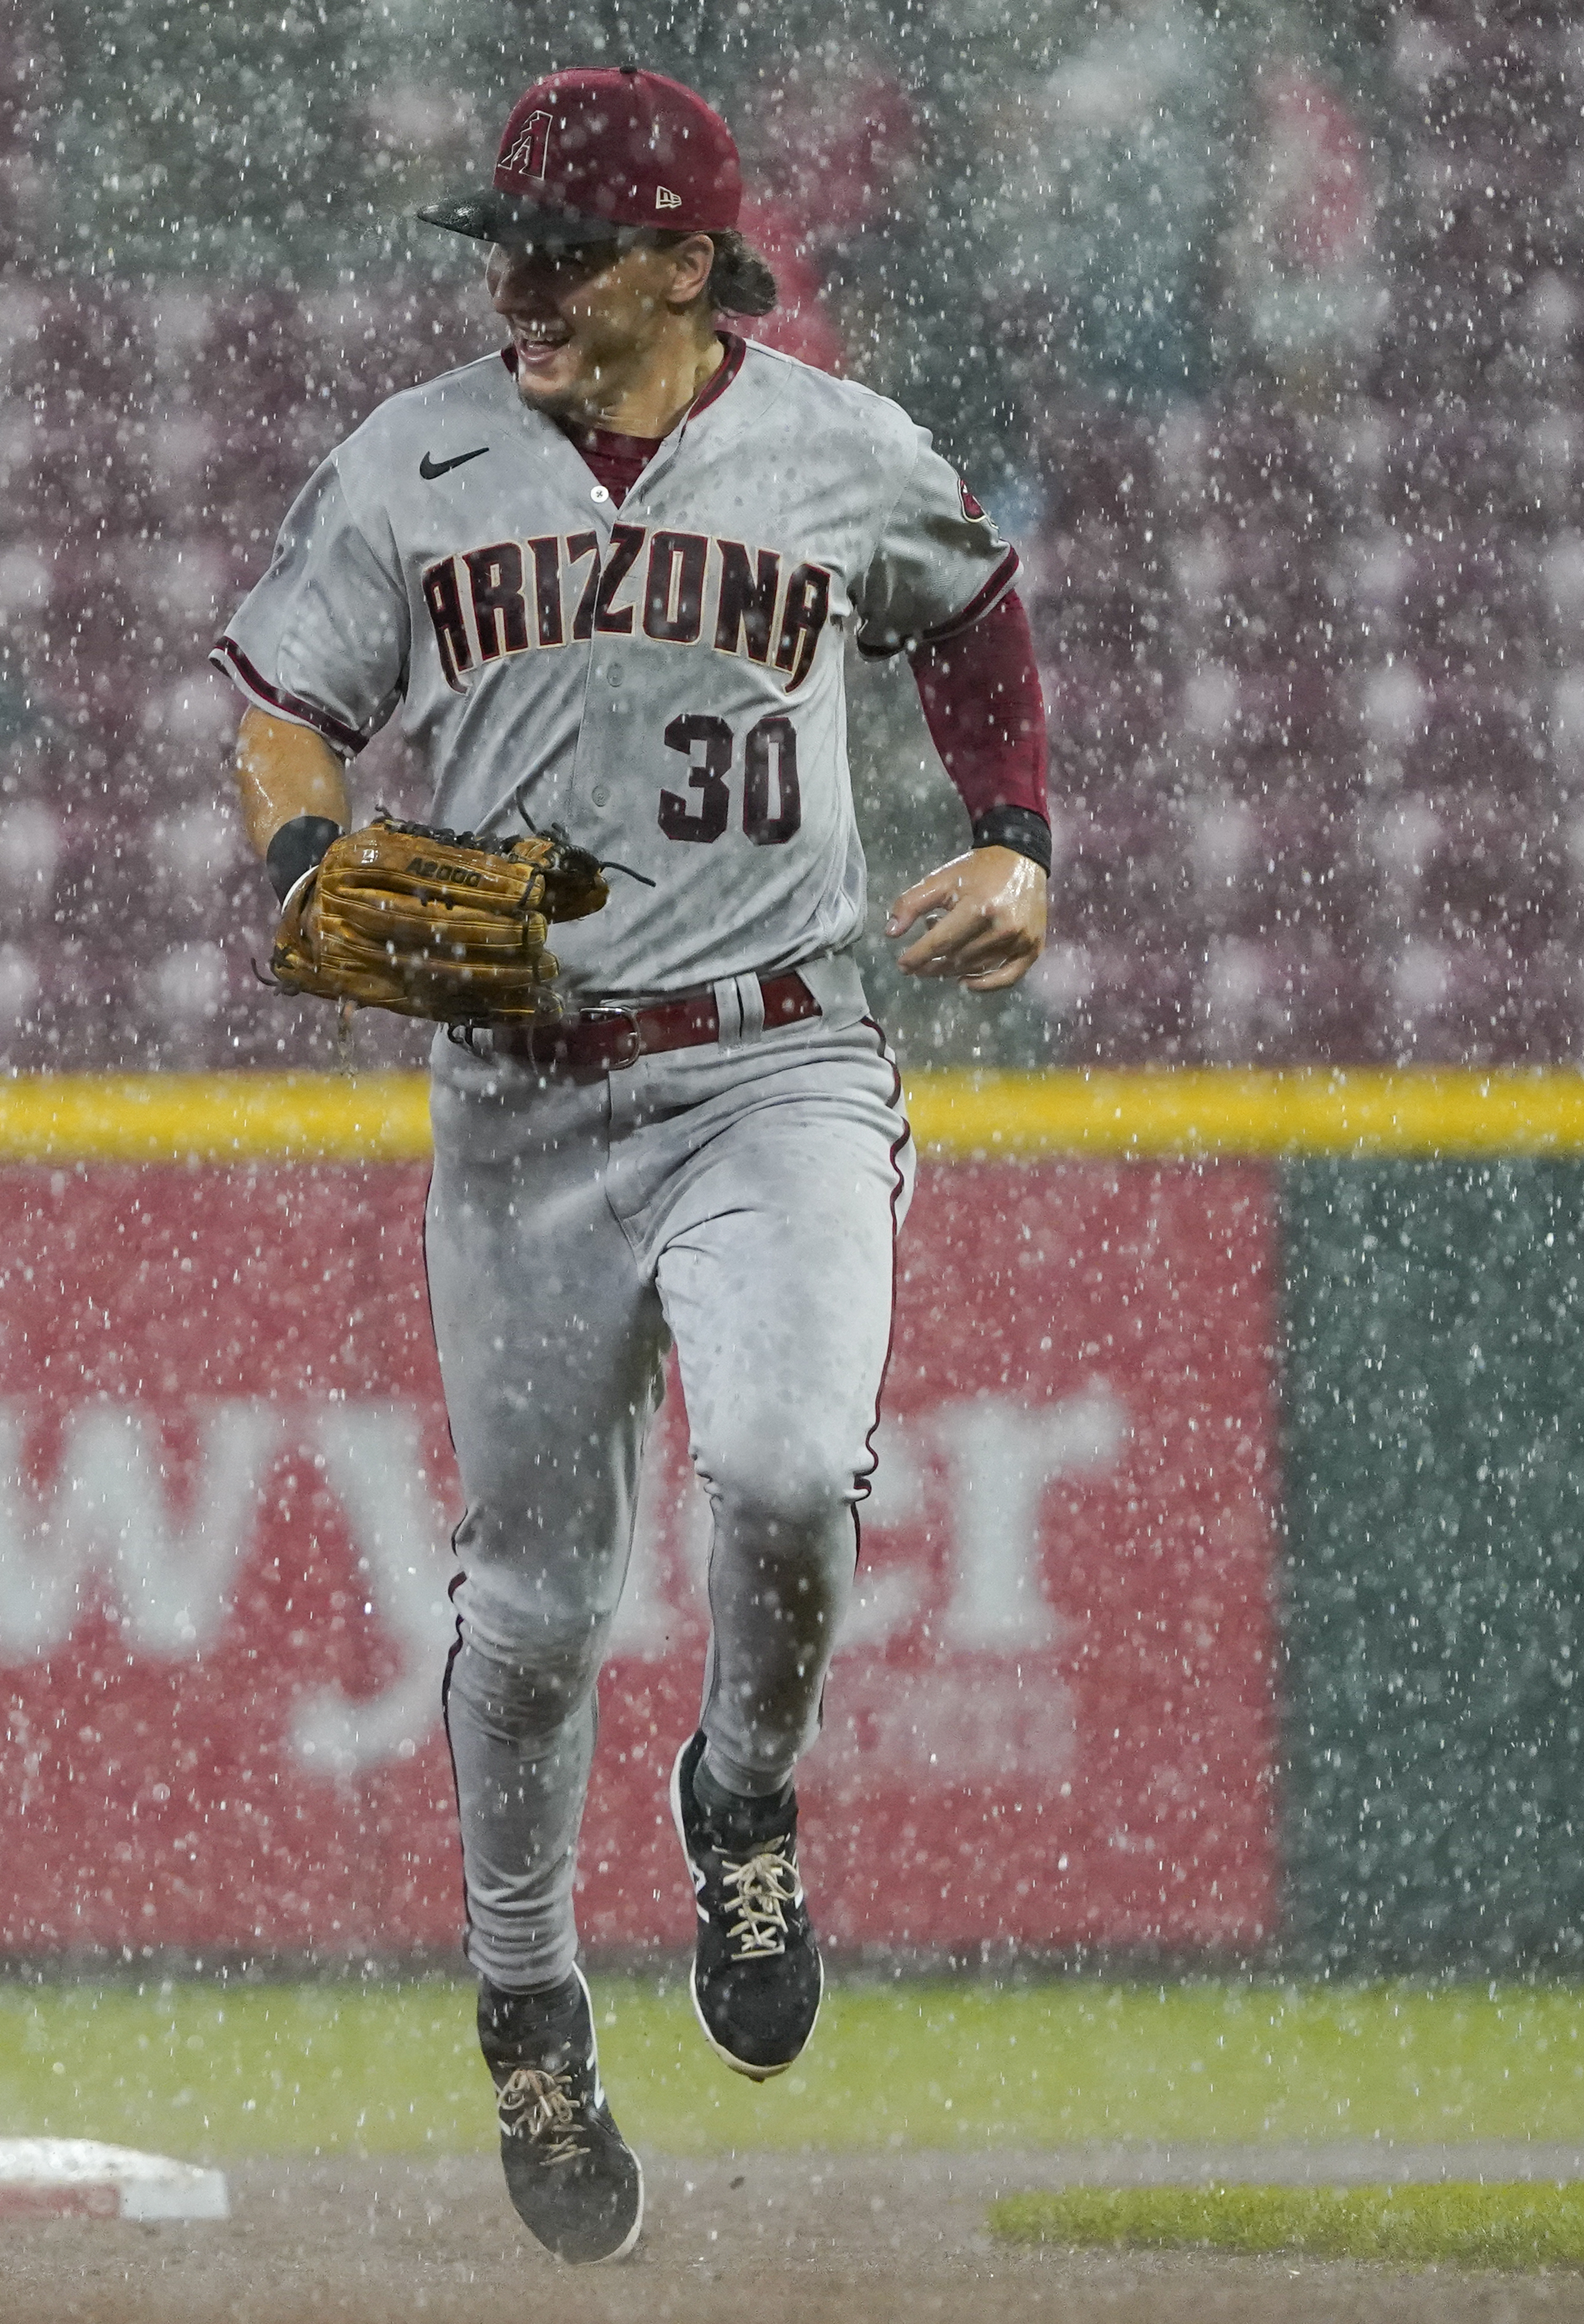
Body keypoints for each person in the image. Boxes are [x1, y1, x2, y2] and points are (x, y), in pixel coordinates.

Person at [210, 65, 1053, 2264]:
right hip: (521, 1094)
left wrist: (1018, 847)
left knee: (780, 1477)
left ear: (687, 263)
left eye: (557, 251)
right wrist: (303, 841)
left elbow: (969, 612)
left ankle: (741, 1793)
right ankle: (524, 2005)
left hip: (778, 1060)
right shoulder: (414, 461)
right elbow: (282, 698)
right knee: (544, 1606)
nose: (514, 290)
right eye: (497, 251)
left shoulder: (832, 448)